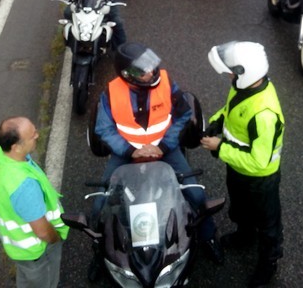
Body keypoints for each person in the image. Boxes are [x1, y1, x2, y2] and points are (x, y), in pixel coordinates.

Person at [90, 43, 223, 277]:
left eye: (151, 67)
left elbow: (182, 116)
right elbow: (104, 128)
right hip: (126, 153)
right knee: (99, 205)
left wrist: (163, 146)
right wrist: (131, 151)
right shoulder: (110, 93)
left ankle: (208, 236)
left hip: (166, 150)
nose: (151, 73)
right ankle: (99, 252)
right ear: (127, 74)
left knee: (197, 195)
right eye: (143, 70)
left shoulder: (166, 82)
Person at [201, 41, 285, 288]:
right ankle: (245, 235)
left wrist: (220, 148)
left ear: (244, 72)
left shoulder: (264, 114)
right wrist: (217, 122)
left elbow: (258, 162)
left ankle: (268, 262)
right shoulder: (243, 86)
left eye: (231, 71)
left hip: (260, 180)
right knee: (241, 207)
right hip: (237, 168)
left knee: (268, 224)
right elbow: (231, 111)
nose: (228, 75)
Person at [0, 116, 69, 288]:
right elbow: (43, 232)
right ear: (16, 147)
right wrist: (56, 237)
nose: (37, 135)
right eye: (32, 135)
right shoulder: (24, 186)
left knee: (27, 279)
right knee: (45, 282)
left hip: (18, 248)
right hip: (37, 251)